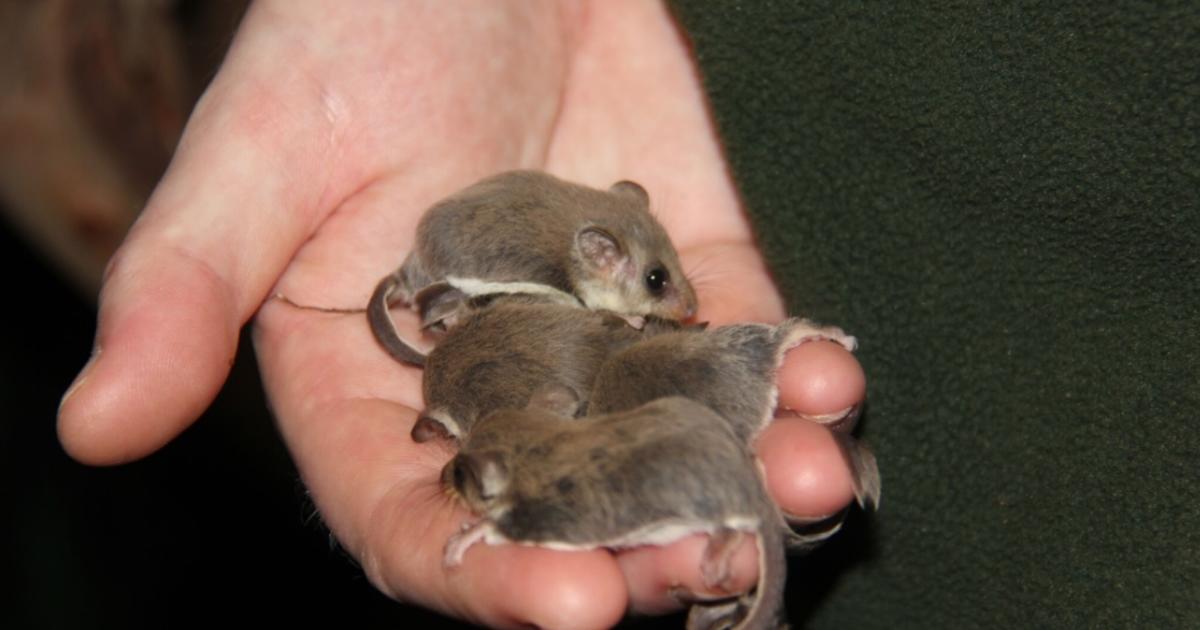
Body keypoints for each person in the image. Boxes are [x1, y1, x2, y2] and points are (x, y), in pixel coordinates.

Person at [56, 2, 867, 626]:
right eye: (659, 285)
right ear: (601, 258)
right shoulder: (549, 280)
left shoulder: (573, 287)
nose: (680, 306)